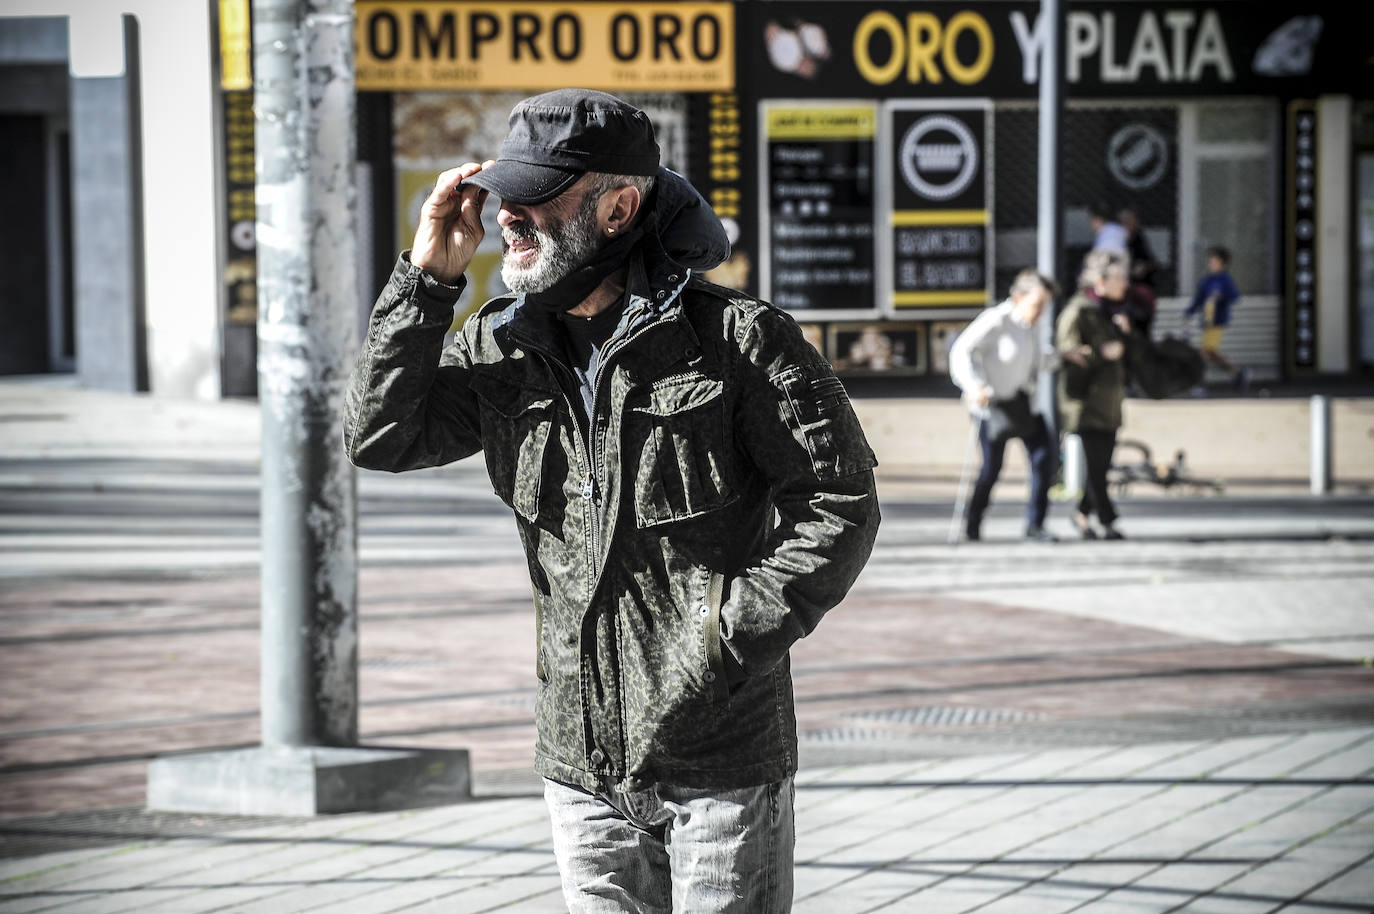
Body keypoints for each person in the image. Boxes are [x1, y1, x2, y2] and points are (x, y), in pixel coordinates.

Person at [344, 89, 880, 913]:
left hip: (720, 760)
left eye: (536, 194)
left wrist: (724, 640)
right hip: (580, 761)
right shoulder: (501, 346)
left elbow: (838, 499)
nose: (508, 215)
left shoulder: (736, 342)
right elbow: (383, 436)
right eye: (506, 191)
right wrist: (425, 282)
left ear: (619, 207)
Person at [948, 269, 1060, 543]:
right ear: (1017, 297)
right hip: (991, 407)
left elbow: (1033, 362)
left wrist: (1063, 357)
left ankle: (1035, 525)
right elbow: (961, 350)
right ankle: (973, 523)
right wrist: (973, 386)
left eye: (1045, 305)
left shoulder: (1030, 326)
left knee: (1044, 458)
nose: (1041, 311)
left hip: (1023, 404)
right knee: (992, 468)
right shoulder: (996, 320)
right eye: (1037, 304)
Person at [1056, 250, 1131, 540]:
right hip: (1085, 404)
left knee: (1101, 466)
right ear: (1100, 281)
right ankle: (1108, 520)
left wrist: (1124, 334)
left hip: (1109, 403)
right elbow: (1068, 354)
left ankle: (1082, 514)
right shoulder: (1078, 312)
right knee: (1097, 467)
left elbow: (1123, 354)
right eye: (1120, 277)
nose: (1125, 284)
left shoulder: (1108, 311)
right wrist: (1101, 353)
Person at [1185, 245, 1249, 391]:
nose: (1210, 261)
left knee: (1205, 352)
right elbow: (1198, 299)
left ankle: (1198, 384)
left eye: (1213, 259)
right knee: (1211, 353)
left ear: (1221, 262)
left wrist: (1221, 297)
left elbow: (1235, 297)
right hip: (1207, 322)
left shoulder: (1225, 279)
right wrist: (1189, 312)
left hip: (1218, 322)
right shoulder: (1206, 281)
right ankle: (1238, 373)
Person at [1120, 208, 1158, 336]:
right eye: (1127, 222)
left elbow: (1151, 262)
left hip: (1141, 293)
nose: (1130, 225)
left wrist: (1143, 268)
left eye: (1132, 221)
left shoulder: (1140, 239)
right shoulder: (1118, 242)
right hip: (1124, 294)